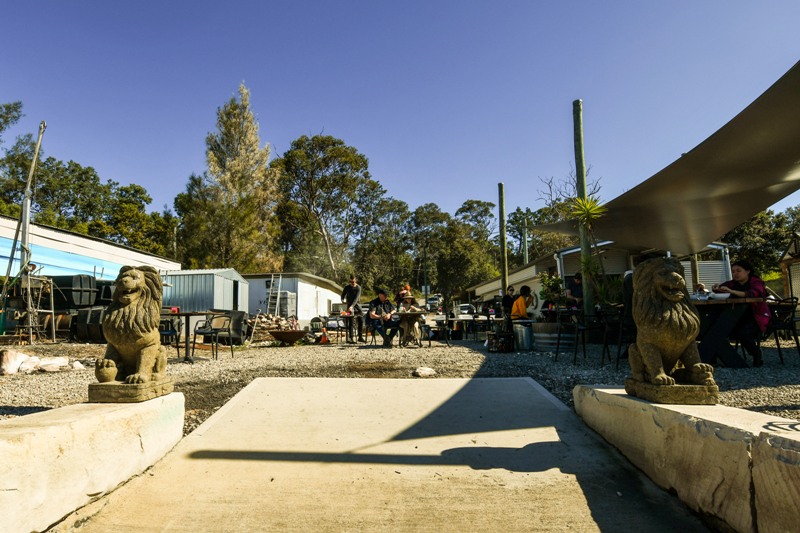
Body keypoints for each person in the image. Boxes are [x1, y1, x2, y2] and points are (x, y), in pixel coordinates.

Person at [712, 259, 770, 367]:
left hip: (755, 316)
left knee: (743, 334)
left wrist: (732, 291)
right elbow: (720, 288)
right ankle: (713, 356)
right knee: (717, 328)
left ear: (747, 271)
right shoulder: (732, 283)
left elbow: (753, 294)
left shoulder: (757, 282)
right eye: (733, 271)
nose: (735, 274)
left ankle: (756, 353)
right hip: (736, 316)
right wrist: (715, 288)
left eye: (738, 271)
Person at [340, 275, 364, 344]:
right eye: (350, 281)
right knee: (350, 323)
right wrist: (342, 300)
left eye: (353, 281)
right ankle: (351, 338)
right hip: (349, 307)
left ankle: (360, 336)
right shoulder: (347, 287)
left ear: (355, 280)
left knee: (361, 321)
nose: (352, 283)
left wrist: (352, 306)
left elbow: (356, 298)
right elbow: (343, 295)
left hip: (357, 306)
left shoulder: (358, 288)